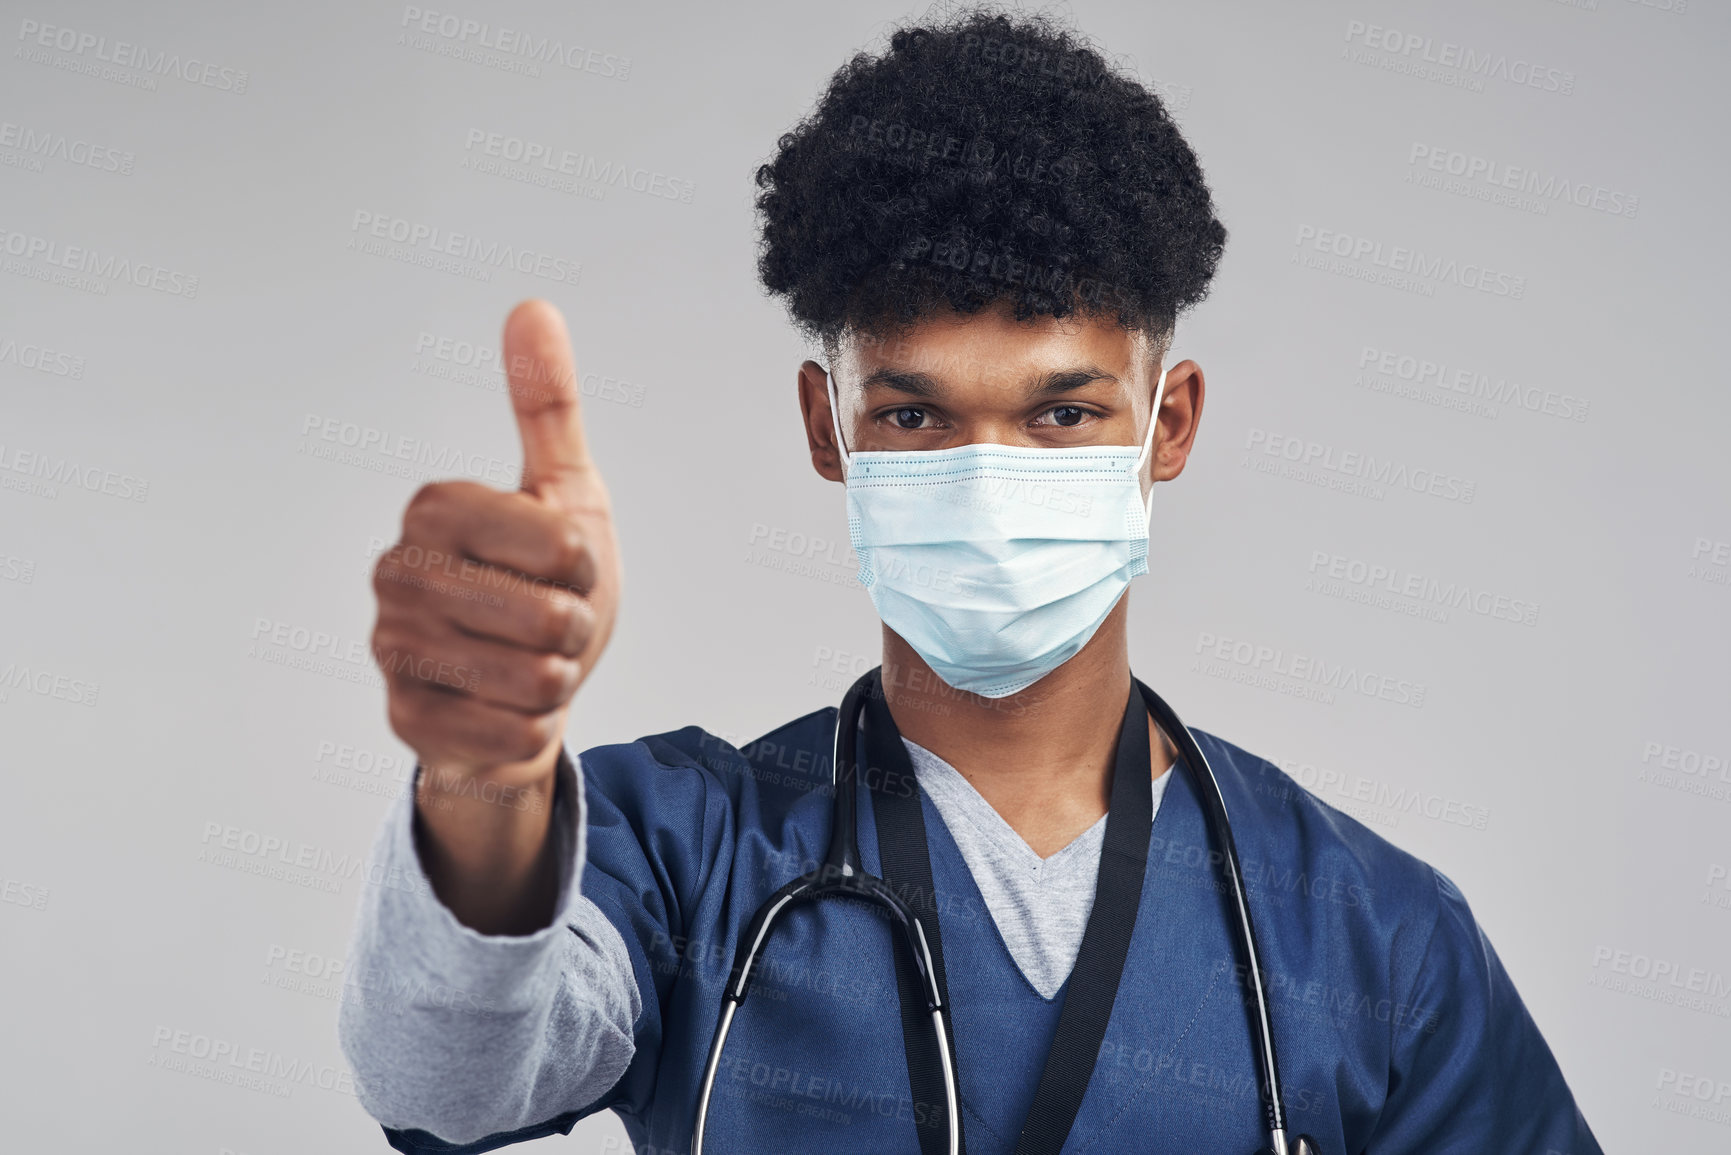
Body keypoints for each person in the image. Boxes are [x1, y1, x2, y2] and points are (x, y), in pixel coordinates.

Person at [338, 9, 1602, 1154]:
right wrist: (484, 770)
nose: (990, 482)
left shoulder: (1371, 932)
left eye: (1061, 413)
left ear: (1169, 426)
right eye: (914, 418)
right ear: (827, 430)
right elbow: (440, 1087)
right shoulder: (686, 848)